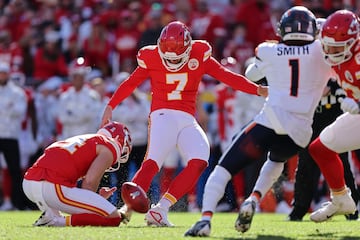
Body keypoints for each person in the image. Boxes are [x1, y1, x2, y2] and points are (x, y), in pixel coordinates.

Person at [100, 20, 268, 227]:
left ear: (188, 47)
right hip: (163, 114)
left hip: (188, 118)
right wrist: (110, 105)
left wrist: (257, 89)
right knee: (153, 160)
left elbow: (227, 76)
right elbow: (131, 82)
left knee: (200, 159)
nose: (172, 62)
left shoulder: (199, 53)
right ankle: (127, 208)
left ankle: (160, 209)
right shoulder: (151, 56)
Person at [184, 6, 334, 236]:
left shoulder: (269, 50)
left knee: (224, 168)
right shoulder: (321, 53)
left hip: (269, 122)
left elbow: (252, 75)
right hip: (299, 133)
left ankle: (205, 219)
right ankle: (254, 198)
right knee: (276, 161)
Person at [22, 121, 132, 227]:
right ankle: (56, 221)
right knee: (113, 218)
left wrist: (96, 200)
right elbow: (89, 182)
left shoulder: (87, 139)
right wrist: (94, 201)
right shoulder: (110, 145)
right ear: (120, 139)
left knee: (96, 213)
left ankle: (52, 219)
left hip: (30, 182)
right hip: (52, 185)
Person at [307, 9, 360, 223]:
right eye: (327, 45)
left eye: (336, 47)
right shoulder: (331, 42)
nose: (329, 51)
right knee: (320, 148)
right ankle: (341, 200)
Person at [288, 78, 360, 221]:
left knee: (341, 162)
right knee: (306, 164)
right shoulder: (308, 58)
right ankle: (299, 210)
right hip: (311, 115)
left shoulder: (340, 63)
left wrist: (332, 84)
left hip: (335, 111)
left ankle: (351, 210)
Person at [0, 61, 27, 210]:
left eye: (3, 73)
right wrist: (7, 107)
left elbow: (20, 112)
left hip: (10, 135)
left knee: (14, 170)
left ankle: (17, 204)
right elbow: (12, 110)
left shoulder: (17, 92)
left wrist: (3, 109)